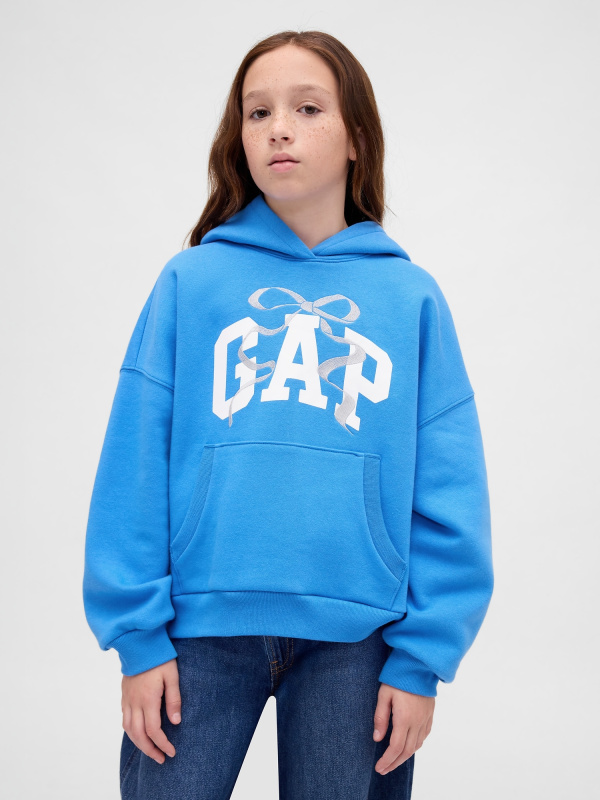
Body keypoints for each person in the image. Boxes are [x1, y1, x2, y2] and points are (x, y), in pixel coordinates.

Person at [82, 29, 494, 800]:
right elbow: (133, 464)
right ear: (237, 139)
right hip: (197, 631)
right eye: (258, 112)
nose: (279, 128)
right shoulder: (191, 283)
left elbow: (450, 492)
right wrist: (137, 638)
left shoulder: (410, 299)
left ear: (356, 138)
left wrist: (422, 658)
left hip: (359, 641)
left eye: (308, 108)